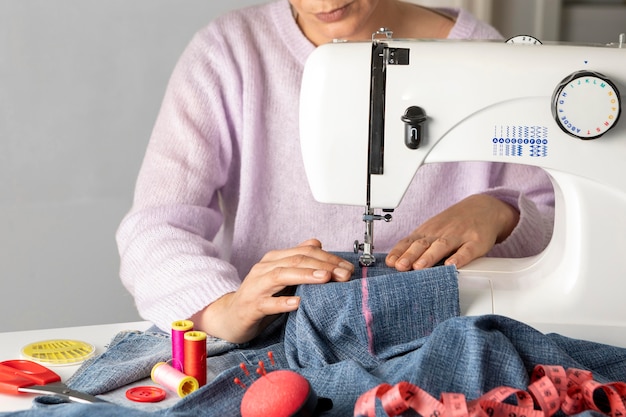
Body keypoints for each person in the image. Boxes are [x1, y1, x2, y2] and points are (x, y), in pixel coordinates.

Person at [116, 0, 554, 344]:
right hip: (271, 335)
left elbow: (556, 217)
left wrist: (501, 212)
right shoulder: (230, 52)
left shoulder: (489, 57)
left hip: (437, 335)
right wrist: (221, 309)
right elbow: (157, 226)